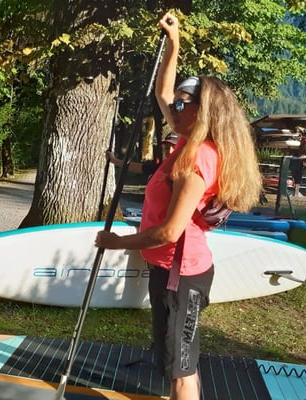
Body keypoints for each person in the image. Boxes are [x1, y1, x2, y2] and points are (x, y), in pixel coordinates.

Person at [95, 13, 262, 400]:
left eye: (183, 104)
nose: (174, 106)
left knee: (180, 369)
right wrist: (174, 42)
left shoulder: (196, 161)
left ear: (202, 111)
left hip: (180, 276)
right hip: (171, 271)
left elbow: (170, 232)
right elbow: (163, 92)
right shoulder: (189, 140)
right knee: (177, 362)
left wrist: (116, 243)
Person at [107, 133, 179, 176]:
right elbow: (138, 167)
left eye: (174, 147)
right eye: (167, 148)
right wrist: (115, 161)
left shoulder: (182, 171)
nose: (170, 151)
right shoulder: (161, 167)